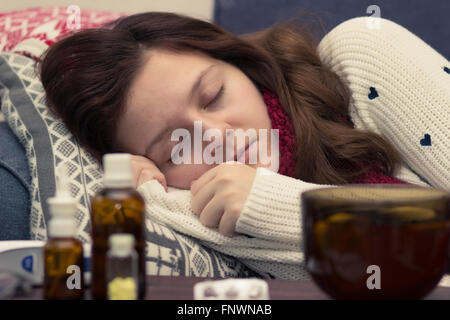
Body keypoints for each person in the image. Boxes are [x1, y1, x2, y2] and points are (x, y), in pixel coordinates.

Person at [39, 12, 450, 279]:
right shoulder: (212, 210)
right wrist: (156, 199)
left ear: (240, 62)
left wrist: (275, 206)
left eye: (214, 94)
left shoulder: (361, 54)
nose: (214, 137)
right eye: (172, 149)